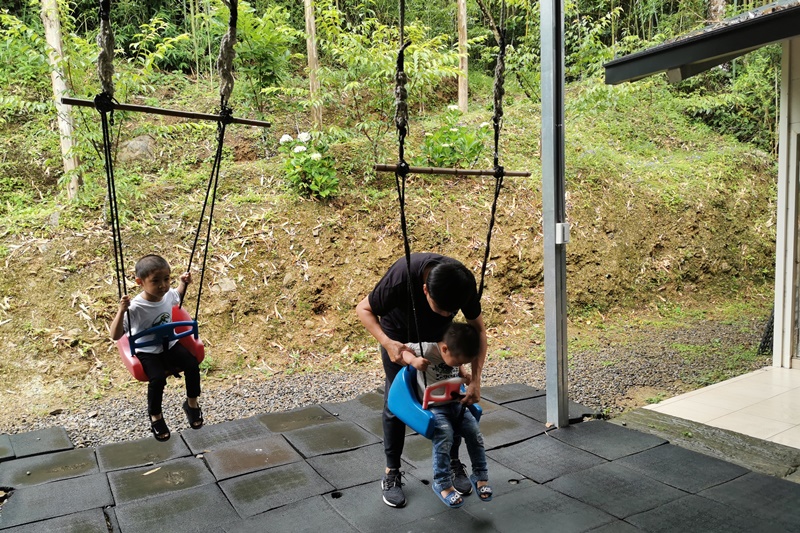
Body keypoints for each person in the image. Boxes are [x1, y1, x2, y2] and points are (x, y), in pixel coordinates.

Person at [356, 252, 487, 508]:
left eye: (452, 311)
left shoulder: (462, 284)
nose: (448, 313)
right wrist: (387, 343)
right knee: (397, 405)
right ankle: (391, 472)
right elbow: (363, 309)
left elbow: (479, 330)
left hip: (441, 343)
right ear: (425, 290)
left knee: (451, 401)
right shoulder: (401, 277)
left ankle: (452, 462)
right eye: (443, 309)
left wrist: (476, 380)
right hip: (400, 340)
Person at [110, 254, 203, 441]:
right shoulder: (135, 307)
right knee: (157, 378)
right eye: (155, 281)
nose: (163, 285)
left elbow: (177, 296)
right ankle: (156, 415)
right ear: (140, 282)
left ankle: (192, 403)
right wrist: (121, 311)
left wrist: (183, 283)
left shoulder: (168, 295)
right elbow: (115, 335)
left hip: (170, 344)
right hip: (148, 352)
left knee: (192, 364)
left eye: (167, 279)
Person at [402, 322, 492, 508]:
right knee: (445, 436)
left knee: (475, 434)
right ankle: (442, 483)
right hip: (435, 408)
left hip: (456, 403)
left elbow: (457, 369)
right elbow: (403, 350)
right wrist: (413, 361)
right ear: (444, 348)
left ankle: (480, 475)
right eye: (459, 362)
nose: (460, 365)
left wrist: (464, 374)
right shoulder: (426, 349)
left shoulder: (453, 353)